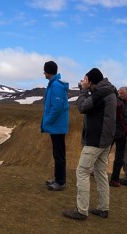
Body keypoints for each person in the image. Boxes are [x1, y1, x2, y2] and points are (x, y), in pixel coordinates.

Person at [64, 68, 116, 220]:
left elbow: (82, 107)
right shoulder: (109, 90)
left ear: (92, 81)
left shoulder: (101, 93)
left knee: (82, 172)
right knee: (100, 173)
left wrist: (83, 91)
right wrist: (87, 90)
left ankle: (81, 211)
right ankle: (103, 208)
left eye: (86, 80)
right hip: (105, 139)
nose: (84, 82)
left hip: (96, 140)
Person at [41, 61, 70, 191]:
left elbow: (56, 108)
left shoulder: (56, 86)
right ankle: (58, 178)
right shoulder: (54, 85)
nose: (43, 73)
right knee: (57, 154)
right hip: (57, 126)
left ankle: (60, 182)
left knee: (59, 154)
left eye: (45, 70)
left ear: (48, 71)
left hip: (57, 126)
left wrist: (47, 120)